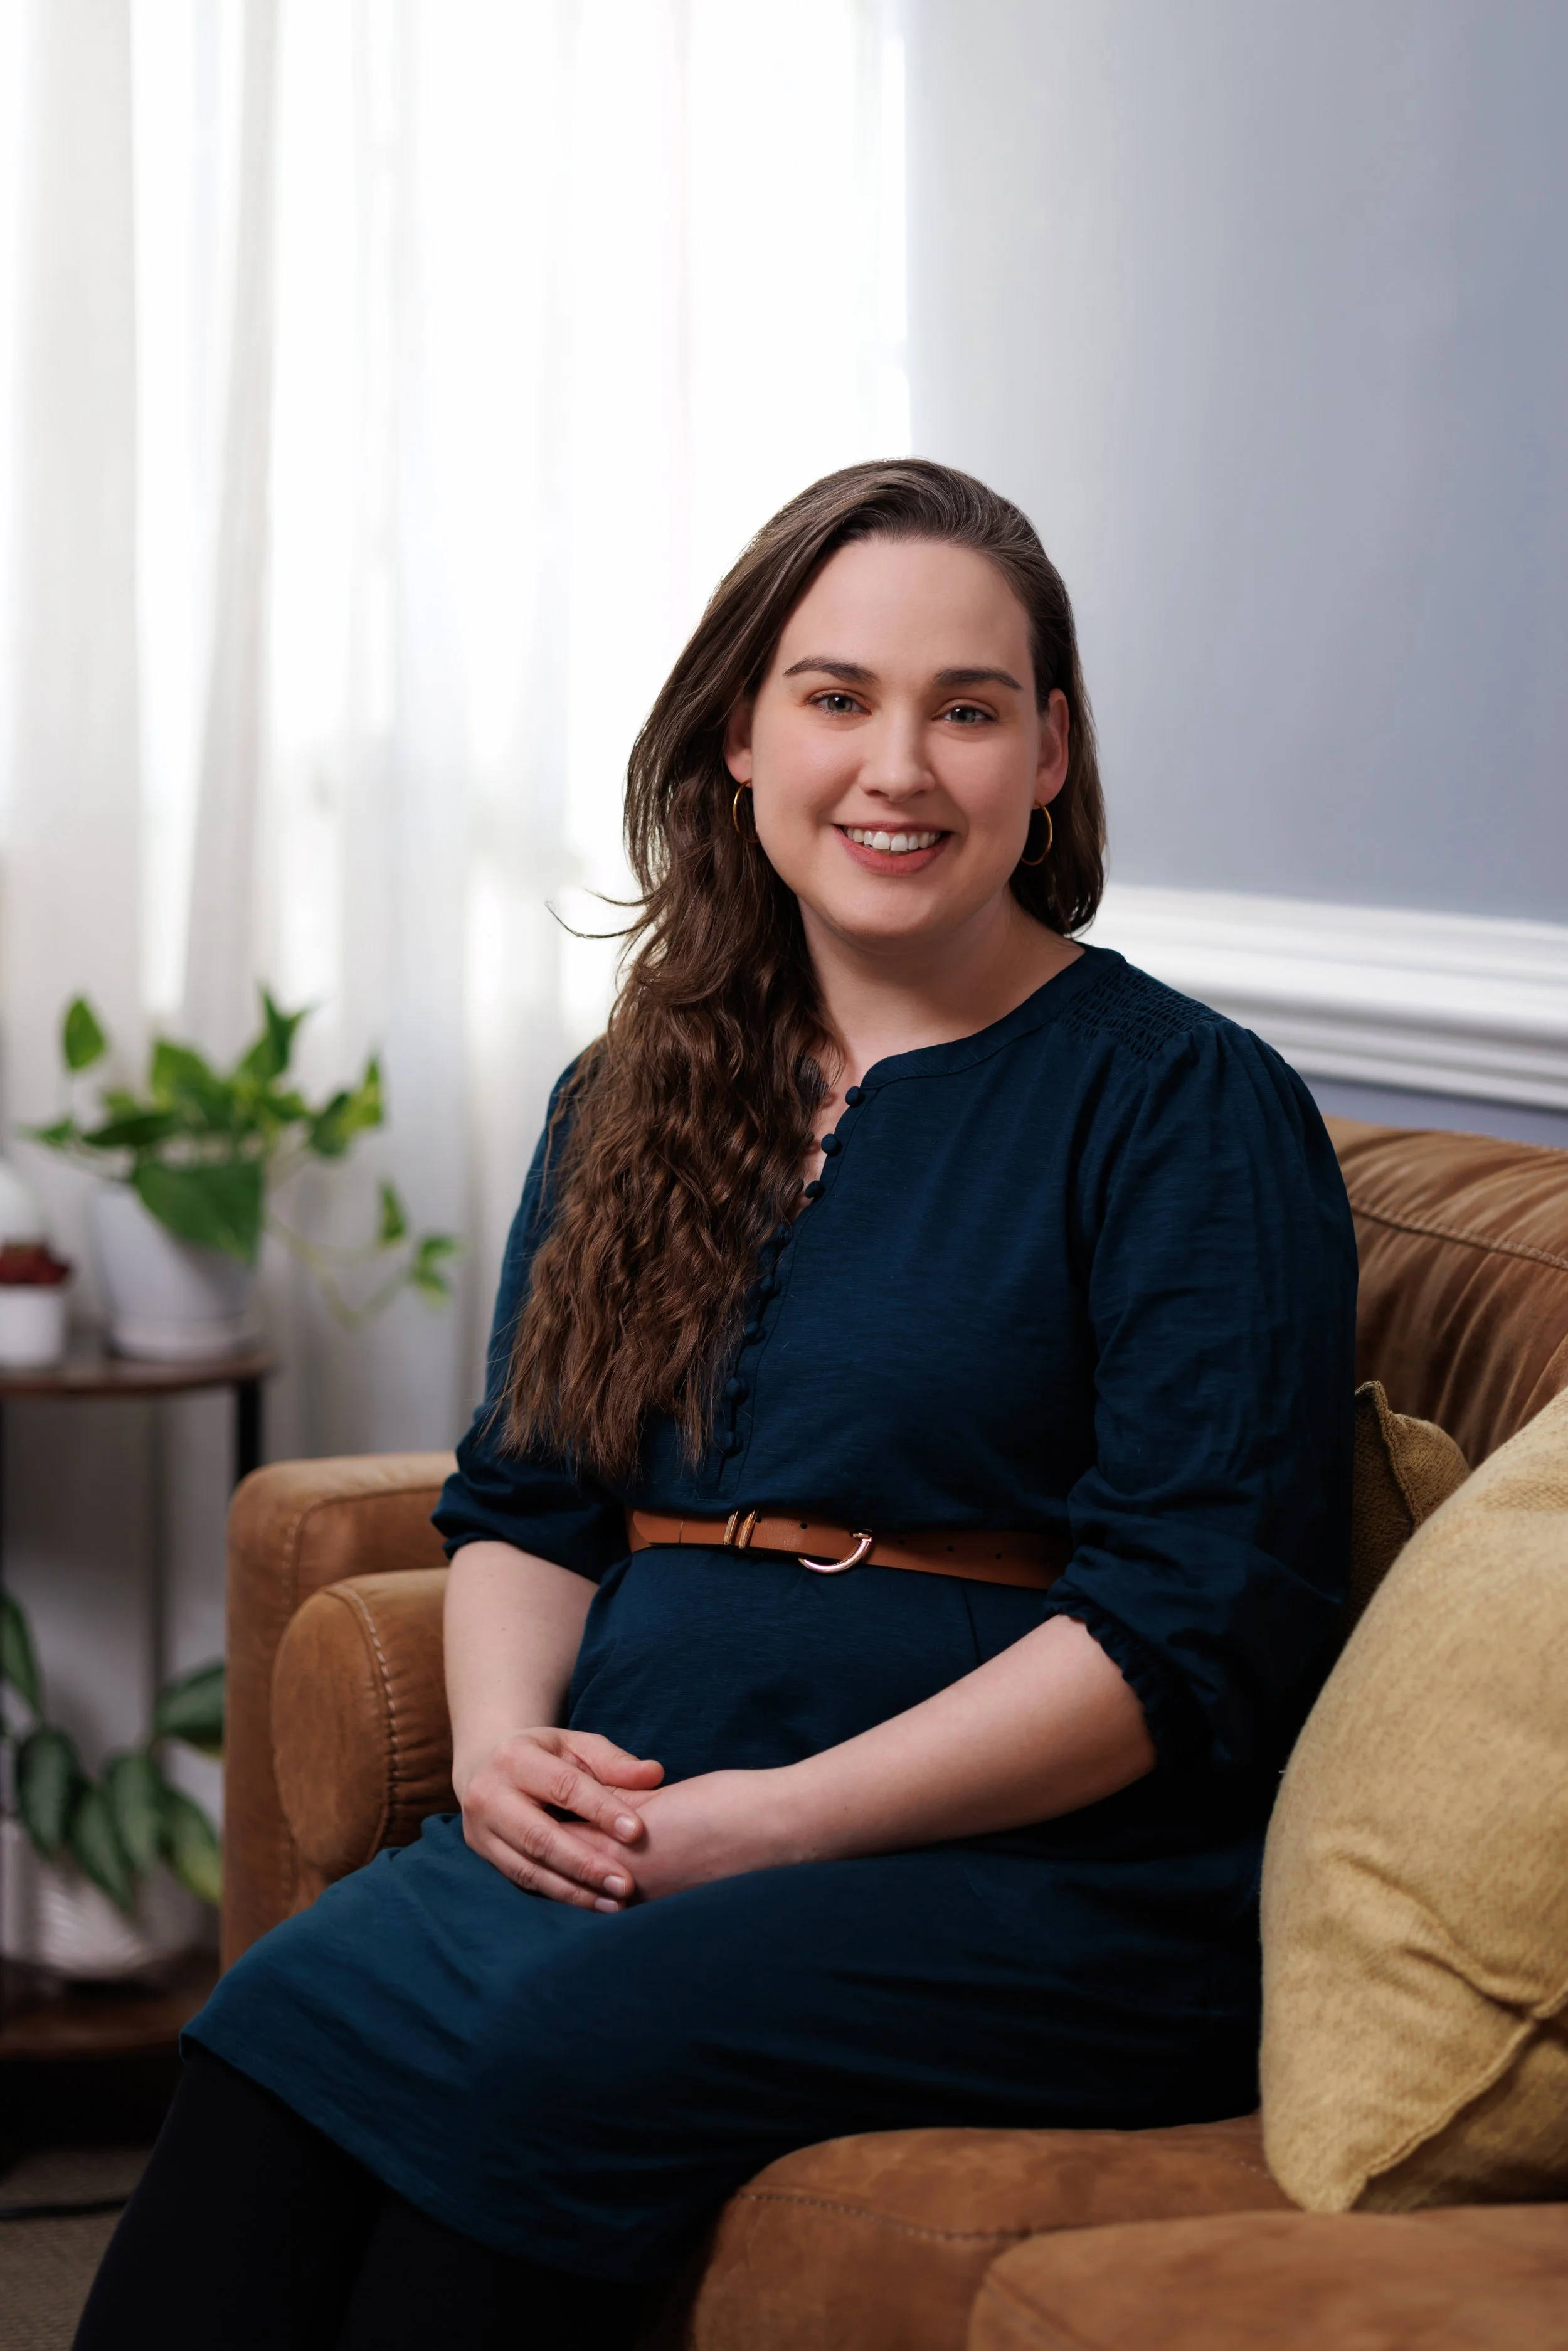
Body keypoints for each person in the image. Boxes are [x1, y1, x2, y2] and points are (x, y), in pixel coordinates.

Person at [76, 460, 1356, 2350]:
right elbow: (525, 1502)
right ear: (739, 738)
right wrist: (509, 1754)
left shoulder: (1182, 1106)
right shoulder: (631, 1093)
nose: (898, 766)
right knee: (285, 2012)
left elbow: (1187, 1624)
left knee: (554, 2049)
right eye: (836, 696)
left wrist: (769, 1825)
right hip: (645, 1818)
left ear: (1051, 755)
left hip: (1041, 1876)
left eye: (968, 707)